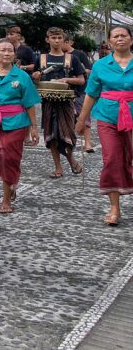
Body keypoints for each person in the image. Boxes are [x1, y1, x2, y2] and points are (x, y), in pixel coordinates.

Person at [76, 25, 133, 226]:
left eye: (123, 35)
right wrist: (82, 120)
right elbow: (91, 93)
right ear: (109, 42)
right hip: (108, 117)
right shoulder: (100, 66)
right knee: (112, 160)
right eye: (115, 36)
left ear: (131, 40)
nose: (120, 39)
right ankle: (115, 207)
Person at [0, 39, 40, 213]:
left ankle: (6, 199)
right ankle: (12, 180)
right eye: (3, 50)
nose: (6, 53)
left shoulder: (22, 77)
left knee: (8, 158)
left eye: (10, 51)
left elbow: (29, 103)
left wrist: (34, 127)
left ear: (15, 54)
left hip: (16, 124)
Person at [32, 27, 85, 178]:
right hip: (48, 102)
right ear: (47, 39)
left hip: (66, 102)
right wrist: (35, 76)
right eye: (53, 38)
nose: (56, 40)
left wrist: (67, 79)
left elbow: (81, 80)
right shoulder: (41, 59)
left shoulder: (71, 58)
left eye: (59, 38)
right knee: (51, 135)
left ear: (63, 39)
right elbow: (35, 81)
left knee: (66, 133)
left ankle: (71, 159)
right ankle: (58, 167)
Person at [64, 34, 96, 153]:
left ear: (68, 42)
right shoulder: (57, 56)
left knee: (84, 116)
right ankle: (70, 142)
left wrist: (79, 70)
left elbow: (88, 69)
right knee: (68, 118)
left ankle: (87, 143)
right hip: (64, 91)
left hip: (80, 90)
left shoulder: (79, 54)